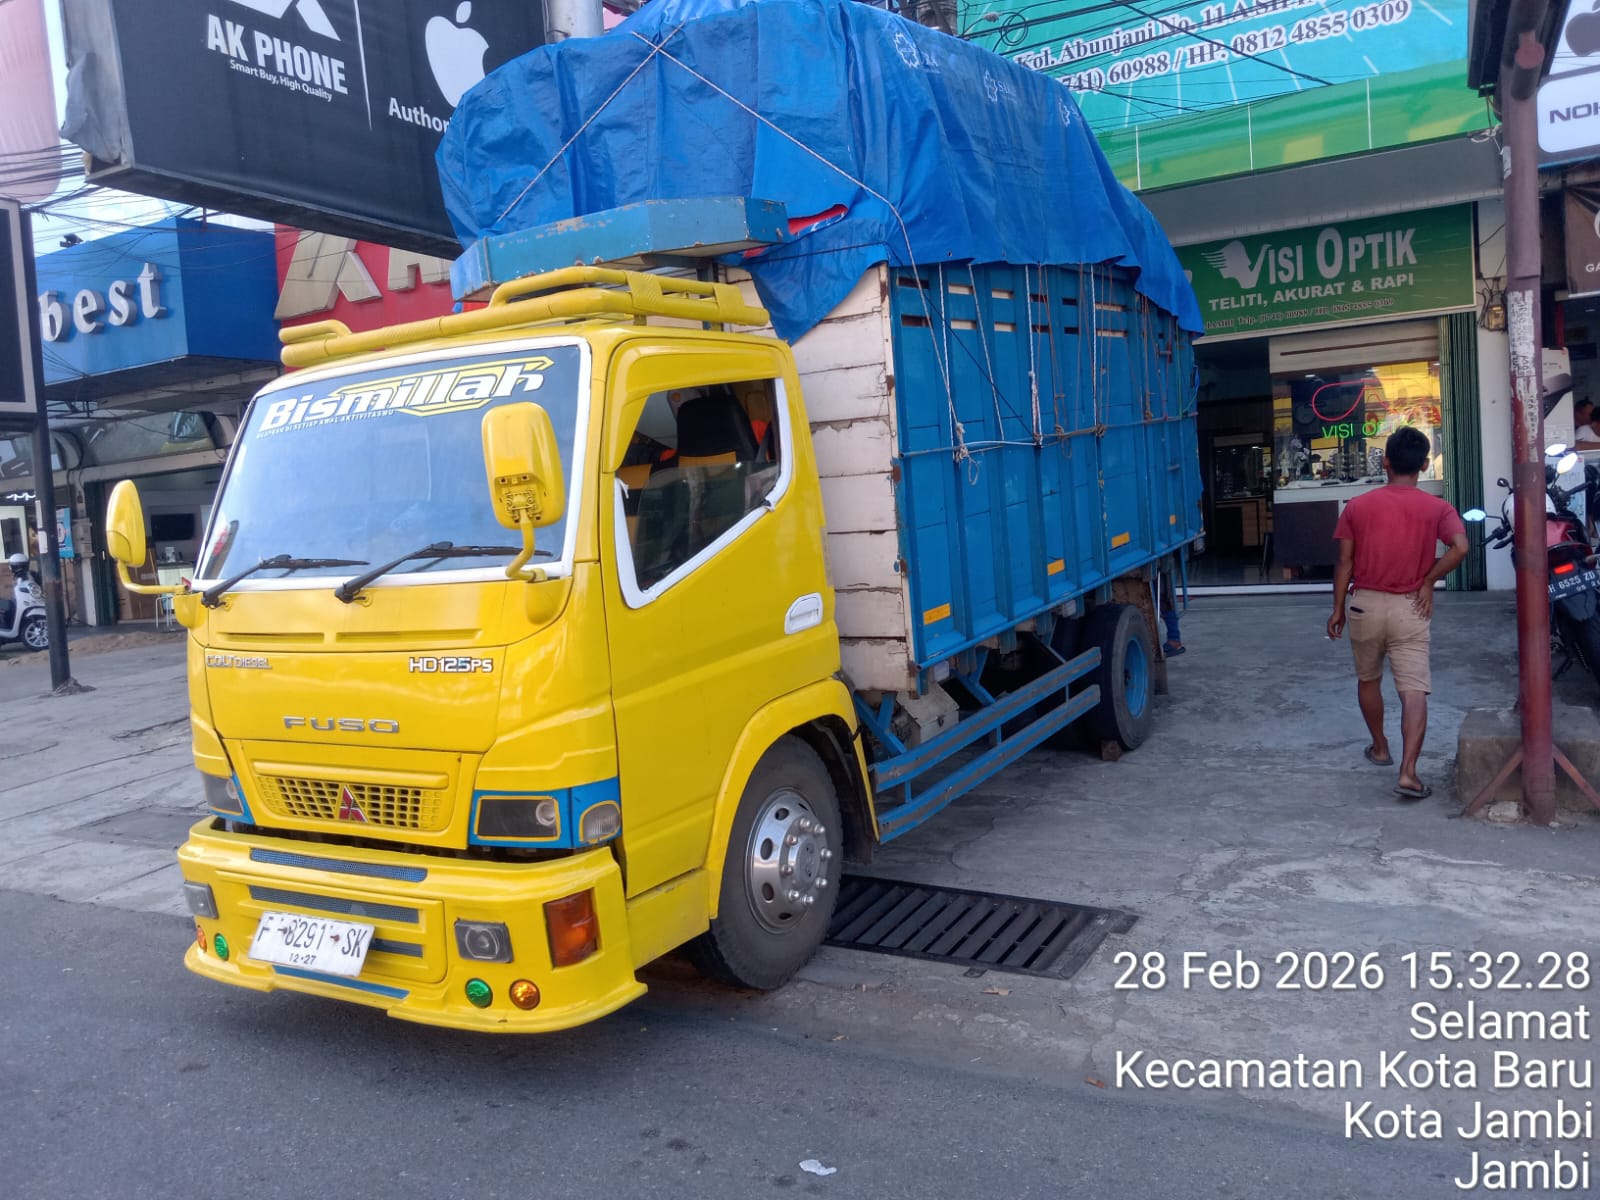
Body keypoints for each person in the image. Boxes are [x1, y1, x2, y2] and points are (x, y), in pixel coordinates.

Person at [1326, 427, 1469, 801]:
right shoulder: (1438, 508)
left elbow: (1345, 563)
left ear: (1385, 461)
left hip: (1365, 605)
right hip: (1411, 606)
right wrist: (1428, 581)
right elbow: (1460, 547)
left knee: (1368, 679)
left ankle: (1380, 747)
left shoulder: (1357, 505)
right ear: (1424, 465)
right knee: (1414, 689)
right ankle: (1408, 772)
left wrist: (1338, 608)